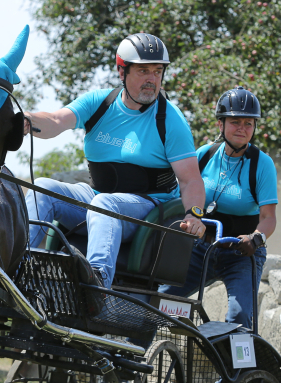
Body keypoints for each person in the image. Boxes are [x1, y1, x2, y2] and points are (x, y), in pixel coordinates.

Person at [22, 33, 206, 289]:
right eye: (143, 71)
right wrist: (24, 119)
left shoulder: (171, 120)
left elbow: (190, 179)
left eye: (157, 71)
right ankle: (16, 267)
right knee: (43, 188)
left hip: (148, 207)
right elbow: (55, 121)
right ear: (122, 71)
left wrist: (194, 214)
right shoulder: (99, 103)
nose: (152, 79)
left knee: (104, 203)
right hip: (97, 195)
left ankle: (97, 286)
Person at [157, 87, 278, 329]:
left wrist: (256, 238)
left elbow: (269, 218)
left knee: (240, 317)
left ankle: (239, 366)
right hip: (201, 248)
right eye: (235, 122)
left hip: (242, 254)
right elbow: (180, 193)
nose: (242, 128)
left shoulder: (262, 165)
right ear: (220, 124)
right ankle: (138, 357)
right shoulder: (204, 155)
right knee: (160, 300)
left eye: (249, 123)